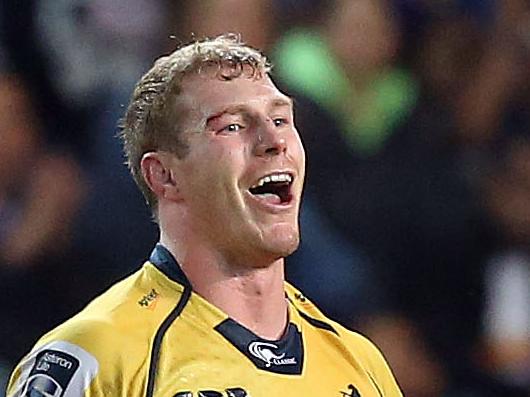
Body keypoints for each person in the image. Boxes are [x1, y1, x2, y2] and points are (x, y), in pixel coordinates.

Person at [6, 35, 402, 397]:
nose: (274, 141)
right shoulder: (95, 358)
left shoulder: (360, 363)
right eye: (232, 126)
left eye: (281, 120)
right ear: (164, 175)